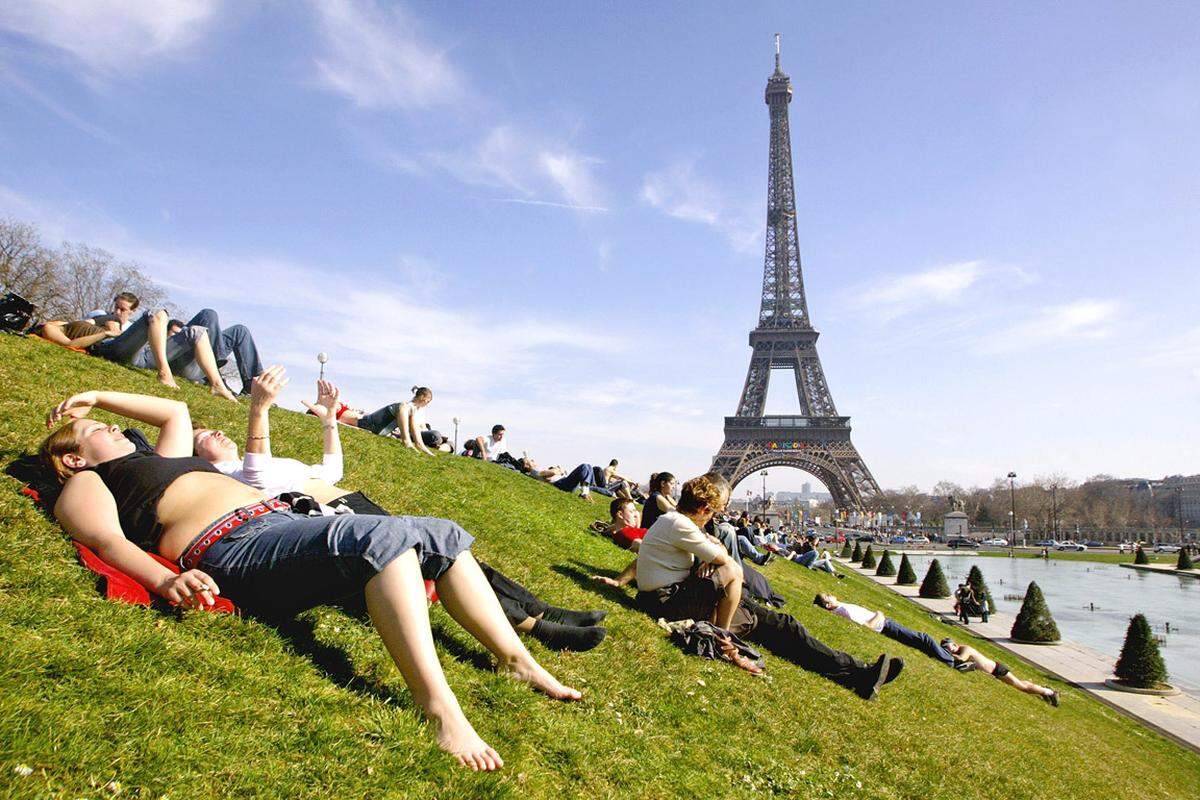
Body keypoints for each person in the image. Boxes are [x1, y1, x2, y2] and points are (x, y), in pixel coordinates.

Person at [40, 389, 581, 771]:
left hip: (284, 523)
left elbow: (174, 408)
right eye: (95, 432)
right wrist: (163, 581)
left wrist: (95, 395)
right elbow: (108, 544)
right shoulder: (91, 481)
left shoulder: (161, 457)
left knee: (440, 533)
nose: (112, 427)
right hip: (235, 546)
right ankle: (441, 711)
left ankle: (517, 662)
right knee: (382, 541)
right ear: (72, 457)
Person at [193, 368, 607, 652]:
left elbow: (331, 468)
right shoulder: (233, 475)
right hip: (330, 517)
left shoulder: (264, 464)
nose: (214, 432)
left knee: (452, 552)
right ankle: (536, 628)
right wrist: (258, 411)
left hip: (350, 499)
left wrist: (329, 421)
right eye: (202, 435)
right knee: (434, 563)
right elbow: (259, 474)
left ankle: (540, 608)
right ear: (198, 457)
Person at [594, 473, 902, 699]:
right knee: (738, 579)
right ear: (703, 509)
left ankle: (857, 674)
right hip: (673, 603)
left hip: (679, 598)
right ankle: (722, 637)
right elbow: (727, 564)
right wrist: (714, 547)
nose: (714, 518)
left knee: (783, 625)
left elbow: (648, 558)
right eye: (713, 512)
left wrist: (620, 581)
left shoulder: (672, 523)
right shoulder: (681, 525)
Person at [813, 593, 955, 667]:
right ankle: (949, 660)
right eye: (828, 596)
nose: (832, 595)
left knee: (921, 642)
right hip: (885, 626)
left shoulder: (840, 607)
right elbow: (867, 627)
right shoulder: (842, 610)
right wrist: (878, 614)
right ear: (828, 604)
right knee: (924, 638)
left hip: (886, 623)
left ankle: (946, 651)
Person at [940, 638, 1060, 706]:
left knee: (1023, 688)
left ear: (954, 644)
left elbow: (962, 659)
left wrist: (948, 655)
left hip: (997, 670)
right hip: (995, 671)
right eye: (944, 648)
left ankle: (1049, 692)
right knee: (1020, 684)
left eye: (947, 646)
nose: (947, 649)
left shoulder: (965, 649)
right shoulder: (960, 650)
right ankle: (1043, 689)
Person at [337, 387, 443, 456]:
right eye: (428, 401)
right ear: (423, 398)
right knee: (404, 406)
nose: (427, 404)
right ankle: (407, 441)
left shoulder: (412, 411)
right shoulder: (338, 407)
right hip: (368, 423)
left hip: (372, 424)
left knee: (409, 410)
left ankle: (418, 444)